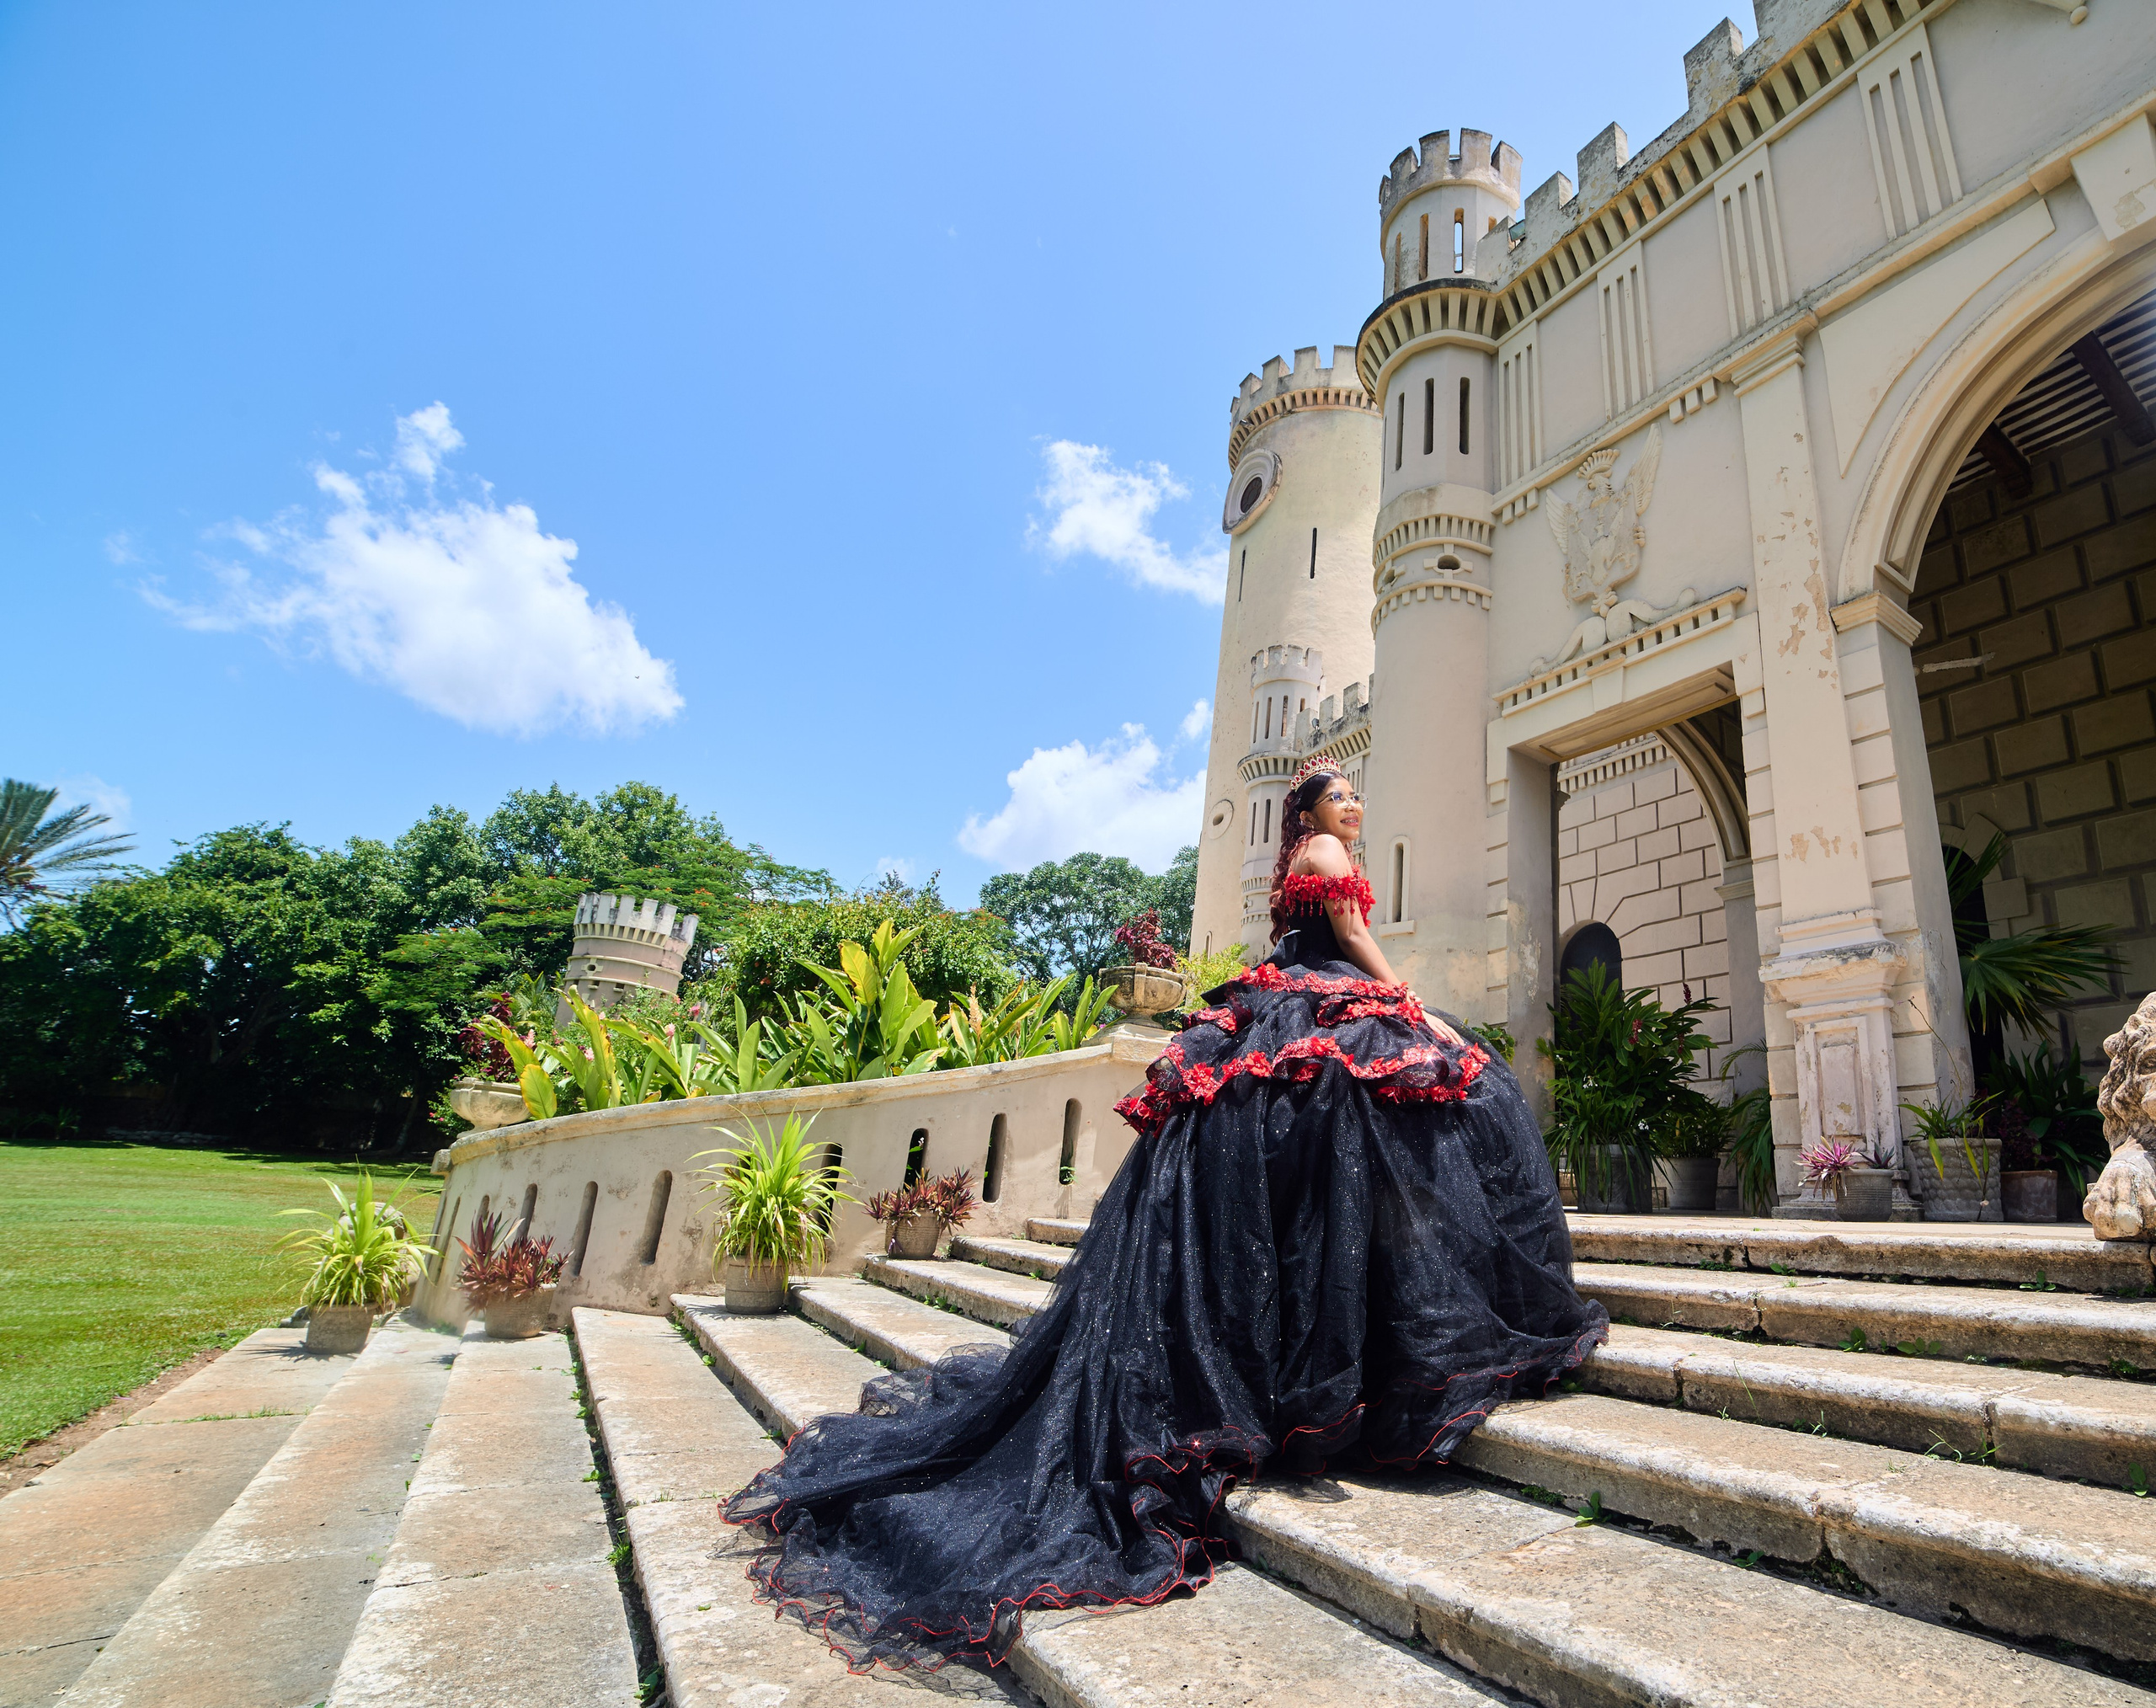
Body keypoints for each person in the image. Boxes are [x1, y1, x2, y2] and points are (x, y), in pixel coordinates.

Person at [722, 759, 1609, 1672]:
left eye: (1350, 795)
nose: (1352, 804)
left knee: (1334, 1175)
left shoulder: (1308, 854)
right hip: (1315, 998)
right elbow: (1350, 938)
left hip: (1289, 999)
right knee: (1447, 1093)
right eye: (1338, 794)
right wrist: (1417, 1009)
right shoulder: (1327, 854)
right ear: (1306, 810)